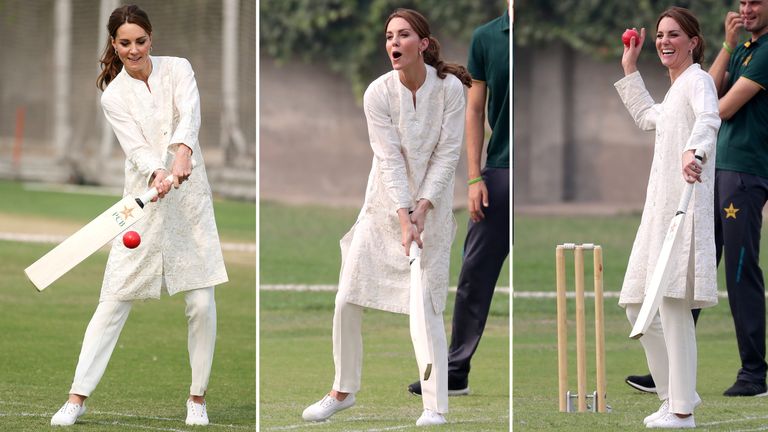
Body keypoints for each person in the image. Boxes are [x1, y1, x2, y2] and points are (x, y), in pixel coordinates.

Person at [50, 4, 228, 427]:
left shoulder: (179, 68)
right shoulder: (113, 96)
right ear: (114, 44)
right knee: (113, 301)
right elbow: (136, 147)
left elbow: (191, 110)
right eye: (125, 43)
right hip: (142, 201)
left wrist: (183, 153)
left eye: (140, 41)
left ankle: (197, 398)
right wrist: (160, 171)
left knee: (201, 303)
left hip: (190, 201)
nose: (134, 50)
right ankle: (76, 398)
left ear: (152, 38)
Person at [301, 8, 471, 427]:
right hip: (383, 209)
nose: (393, 43)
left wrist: (424, 209)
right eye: (388, 36)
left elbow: (448, 153)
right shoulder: (377, 92)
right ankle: (342, 390)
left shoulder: (449, 89)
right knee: (346, 298)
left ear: (423, 44)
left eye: (403, 35)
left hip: (431, 213)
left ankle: (435, 406)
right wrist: (402, 216)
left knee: (427, 306)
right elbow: (388, 158)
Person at [615, 7, 720, 429]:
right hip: (657, 212)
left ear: (693, 42)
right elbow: (647, 117)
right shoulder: (676, 90)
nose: (664, 41)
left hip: (685, 209)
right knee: (636, 304)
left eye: (673, 34)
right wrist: (629, 67)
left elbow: (710, 118)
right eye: (660, 34)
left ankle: (682, 412)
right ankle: (674, 394)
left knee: (673, 308)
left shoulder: (698, 81)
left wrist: (694, 153)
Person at [406, 4, 509, 397]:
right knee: (474, 271)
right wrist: (474, 175)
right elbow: (476, 108)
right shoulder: (487, 37)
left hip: (543, 175)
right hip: (500, 171)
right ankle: (456, 370)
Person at [708, 0, 768, 397]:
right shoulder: (745, 49)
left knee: (740, 271)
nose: (746, 9)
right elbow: (707, 90)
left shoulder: (766, 52)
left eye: (755, 3)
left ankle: (754, 374)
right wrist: (727, 46)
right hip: (720, 169)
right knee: (695, 264)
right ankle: (668, 368)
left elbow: (719, 108)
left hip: (745, 173)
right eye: (741, 2)